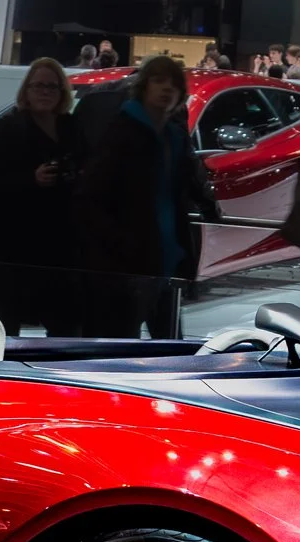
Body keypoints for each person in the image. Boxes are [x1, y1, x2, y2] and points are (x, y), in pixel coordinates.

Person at [76, 56, 218, 339]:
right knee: (121, 340)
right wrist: (119, 244)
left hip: (163, 256)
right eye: (158, 80)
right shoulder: (122, 131)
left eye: (173, 83)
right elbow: (90, 197)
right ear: (144, 87)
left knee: (165, 341)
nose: (166, 88)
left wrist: (206, 204)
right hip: (126, 262)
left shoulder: (173, 134)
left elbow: (185, 179)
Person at [0, 58, 84, 337]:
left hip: (59, 248)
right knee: (6, 330)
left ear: (62, 92)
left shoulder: (73, 128)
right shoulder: (6, 129)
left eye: (52, 87)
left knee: (65, 328)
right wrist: (31, 179)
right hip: (11, 247)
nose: (44, 92)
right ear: (26, 90)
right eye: (38, 86)